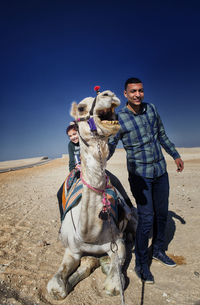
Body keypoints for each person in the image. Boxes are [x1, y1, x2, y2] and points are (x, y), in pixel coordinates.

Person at [108, 77, 184, 284]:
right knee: (147, 218)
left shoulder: (151, 109)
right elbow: (111, 144)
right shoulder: (118, 117)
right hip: (140, 175)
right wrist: (98, 161)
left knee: (161, 215)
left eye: (140, 90)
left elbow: (162, 135)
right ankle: (141, 263)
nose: (137, 94)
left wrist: (175, 155)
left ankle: (158, 250)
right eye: (133, 91)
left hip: (160, 171)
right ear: (125, 94)